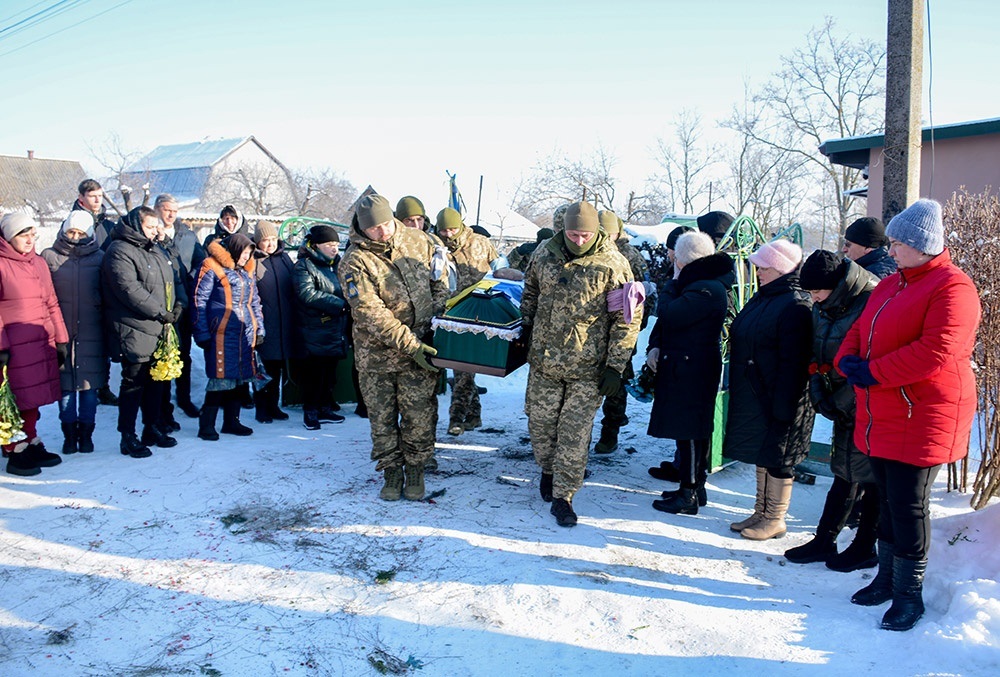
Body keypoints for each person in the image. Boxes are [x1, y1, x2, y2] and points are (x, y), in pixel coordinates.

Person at [836, 199, 980, 632]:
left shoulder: (954, 288)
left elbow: (936, 351)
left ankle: (908, 595)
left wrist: (873, 372)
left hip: (923, 413)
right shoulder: (892, 283)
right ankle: (885, 577)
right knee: (884, 498)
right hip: (884, 409)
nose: (891, 249)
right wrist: (848, 360)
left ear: (923, 246)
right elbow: (861, 329)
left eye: (898, 243)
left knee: (909, 503)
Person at [521, 201, 641, 527]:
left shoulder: (614, 264)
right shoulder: (545, 253)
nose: (577, 240)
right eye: (572, 234)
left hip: (587, 369)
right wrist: (525, 328)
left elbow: (627, 319)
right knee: (541, 426)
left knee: (573, 434)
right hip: (545, 363)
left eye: (584, 234)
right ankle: (548, 469)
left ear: (596, 231)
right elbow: (530, 291)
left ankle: (564, 496)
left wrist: (616, 366)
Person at [338, 195, 449, 502]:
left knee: (418, 416)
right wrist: (411, 344)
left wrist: (435, 319)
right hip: (377, 357)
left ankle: (415, 468)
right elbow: (369, 312)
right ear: (362, 228)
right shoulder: (354, 261)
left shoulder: (421, 242)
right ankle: (391, 469)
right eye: (374, 229)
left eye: (386, 224)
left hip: (420, 353)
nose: (383, 233)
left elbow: (439, 282)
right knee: (382, 418)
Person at [783, 251, 880, 570]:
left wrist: (840, 398)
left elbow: (871, 359)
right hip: (837, 397)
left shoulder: (871, 300)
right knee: (844, 469)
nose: (812, 298)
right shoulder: (825, 305)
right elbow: (816, 349)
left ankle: (864, 546)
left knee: (869, 477)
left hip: (867, 403)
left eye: (816, 292)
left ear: (836, 285)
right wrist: (818, 389)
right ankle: (825, 539)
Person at [724, 239, 815, 541]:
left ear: (778, 268)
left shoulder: (795, 305)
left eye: (762, 267)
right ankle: (761, 511)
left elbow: (794, 362)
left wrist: (785, 404)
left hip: (782, 395)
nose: (757, 272)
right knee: (765, 453)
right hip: (760, 391)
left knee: (780, 456)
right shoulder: (767, 296)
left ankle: (775, 517)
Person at [645, 231, 734, 514]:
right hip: (688, 366)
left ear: (684, 260)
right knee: (689, 432)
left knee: (691, 431)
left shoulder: (705, 288)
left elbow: (670, 313)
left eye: (676, 258)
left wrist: (672, 282)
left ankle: (690, 493)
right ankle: (694, 486)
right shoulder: (703, 285)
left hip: (692, 369)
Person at [102, 206, 181, 458]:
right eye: (149, 227)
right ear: (136, 225)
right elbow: (129, 290)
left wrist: (179, 304)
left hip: (159, 327)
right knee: (134, 383)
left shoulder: (154, 249)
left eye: (155, 228)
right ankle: (128, 435)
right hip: (133, 327)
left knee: (156, 381)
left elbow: (171, 279)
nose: (154, 232)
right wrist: (160, 311)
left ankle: (151, 427)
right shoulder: (120, 250)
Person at [0, 213, 69, 476]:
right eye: (23, 235)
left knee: (32, 397)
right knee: (12, 399)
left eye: (32, 235)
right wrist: (1, 346)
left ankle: (30, 441)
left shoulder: (38, 263)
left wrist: (60, 339)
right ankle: (13, 449)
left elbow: (51, 302)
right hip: (12, 346)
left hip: (39, 342)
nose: (30, 240)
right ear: (8, 237)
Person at [41, 211, 106, 456]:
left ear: (89, 234)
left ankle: (86, 434)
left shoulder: (100, 257)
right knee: (66, 388)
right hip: (61, 332)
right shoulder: (49, 256)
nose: (76, 237)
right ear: (64, 230)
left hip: (92, 330)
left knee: (89, 388)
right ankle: (69, 435)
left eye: (81, 233)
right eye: (72, 232)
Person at [434, 207, 503, 437]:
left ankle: (461, 417)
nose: (448, 234)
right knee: (463, 369)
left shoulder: (480, 242)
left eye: (452, 228)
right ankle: (468, 416)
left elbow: (499, 267)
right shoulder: (434, 246)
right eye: (443, 230)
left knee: (465, 369)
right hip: (452, 314)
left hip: (481, 312)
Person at [192, 233, 263, 440]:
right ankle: (206, 425)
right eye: (244, 253)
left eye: (250, 254)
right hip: (220, 334)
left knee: (239, 379)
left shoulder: (247, 272)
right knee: (220, 379)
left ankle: (232, 421)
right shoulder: (211, 266)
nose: (246, 257)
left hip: (244, 333)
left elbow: (254, 302)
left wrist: (259, 329)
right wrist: (202, 332)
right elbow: (199, 301)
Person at [594, 209, 651, 454]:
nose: (606, 237)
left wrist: (635, 327)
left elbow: (642, 296)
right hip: (592, 333)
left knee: (617, 383)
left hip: (621, 332)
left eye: (610, 232)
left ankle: (610, 432)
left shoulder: (631, 256)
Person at [292, 225, 349, 430]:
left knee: (328, 373)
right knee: (313, 374)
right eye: (329, 245)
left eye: (336, 245)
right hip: (314, 329)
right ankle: (311, 412)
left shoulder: (336, 265)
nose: (334, 249)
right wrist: (340, 305)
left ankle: (325, 408)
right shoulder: (304, 266)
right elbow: (308, 294)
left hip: (334, 329)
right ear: (316, 245)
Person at [154, 194, 204, 418]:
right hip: (159, 304)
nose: (171, 214)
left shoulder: (187, 236)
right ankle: (161, 404)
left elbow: (200, 262)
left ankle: (184, 398)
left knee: (183, 352)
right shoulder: (150, 234)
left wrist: (189, 278)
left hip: (183, 303)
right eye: (166, 209)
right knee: (161, 355)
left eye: (174, 210)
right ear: (157, 210)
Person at [73, 179, 118, 405]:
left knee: (103, 341)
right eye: (93, 196)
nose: (98, 200)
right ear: (81, 198)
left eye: (100, 195)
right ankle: (83, 384)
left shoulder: (108, 226)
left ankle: (104, 385)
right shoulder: (73, 223)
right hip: (83, 289)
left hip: (105, 288)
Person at [252, 221, 295, 424]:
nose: (269, 244)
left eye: (272, 239)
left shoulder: (284, 258)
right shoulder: (253, 260)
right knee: (262, 369)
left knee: (277, 367)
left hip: (284, 321)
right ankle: (262, 408)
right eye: (264, 240)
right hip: (264, 322)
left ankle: (274, 405)